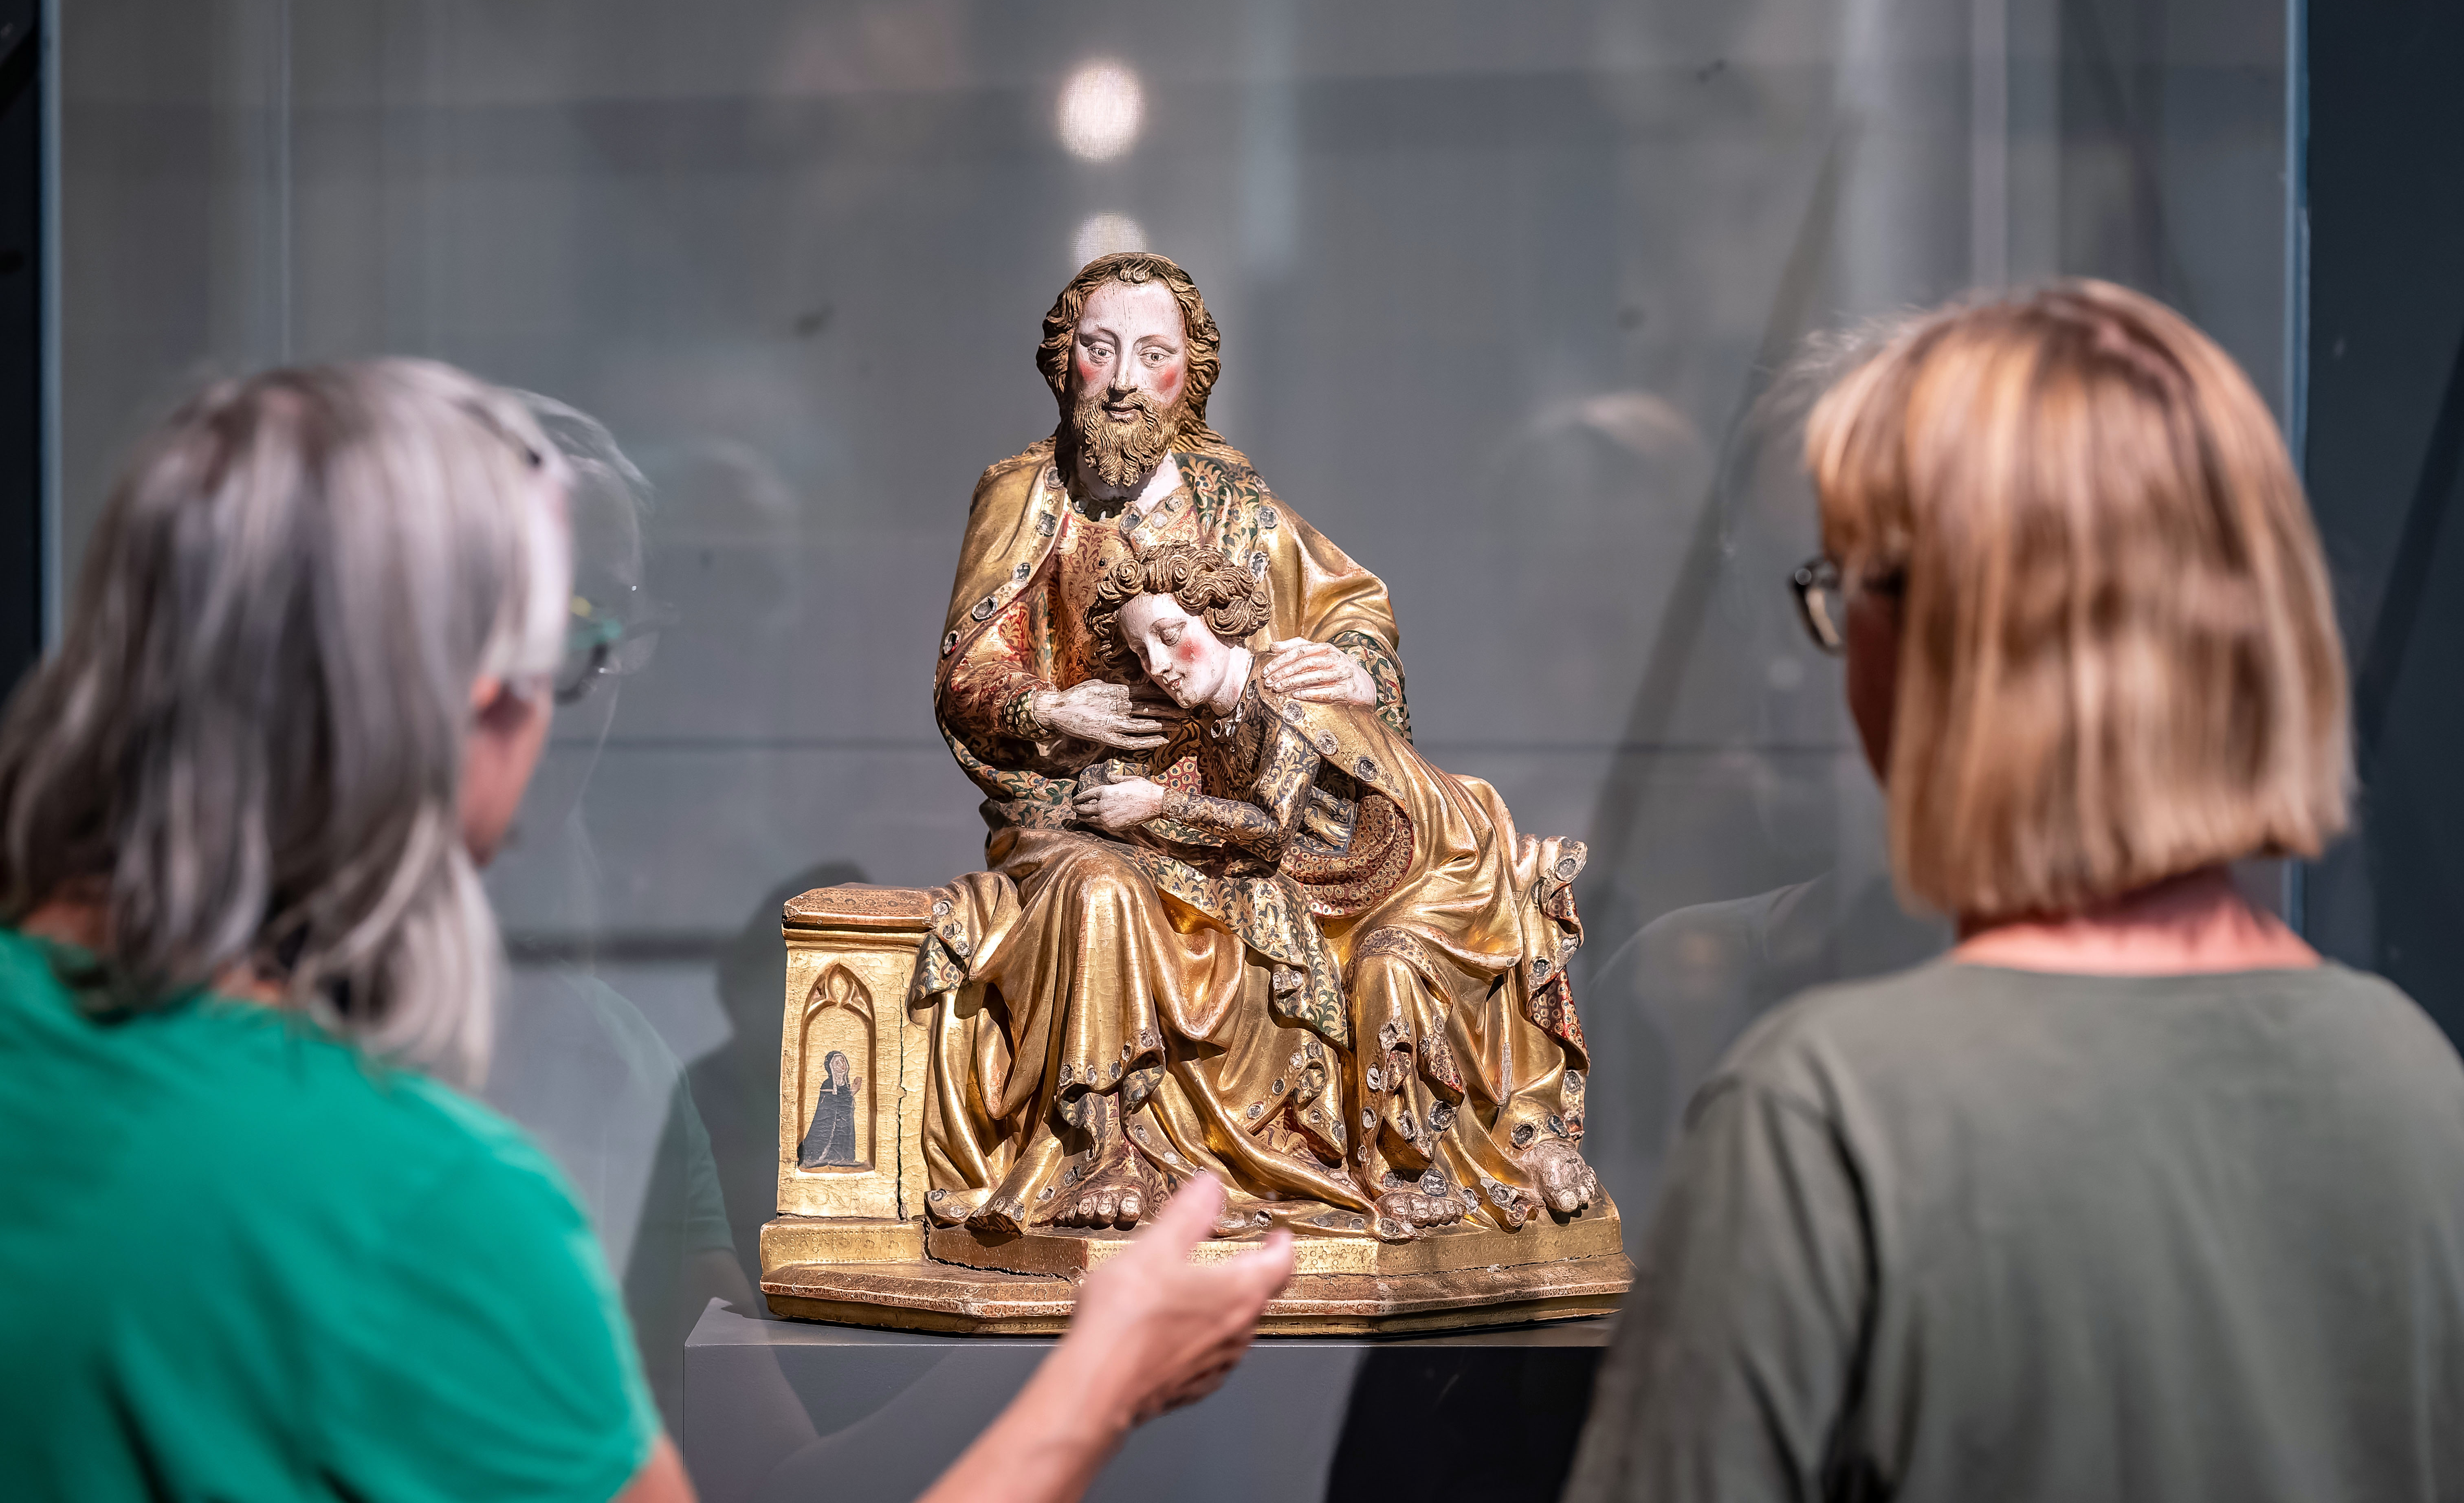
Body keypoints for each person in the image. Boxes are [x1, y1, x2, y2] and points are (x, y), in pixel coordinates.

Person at [0, 360, 1293, 1503]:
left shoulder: (602, 1072)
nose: (572, 713)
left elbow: (770, 1477)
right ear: (455, 689)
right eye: (570, 648)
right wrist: (1102, 1382)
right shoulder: (433, 1201)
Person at [1565, 281, 2464, 1501]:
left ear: (1955, 635)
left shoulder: (1825, 1119)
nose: (1805, 664)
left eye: (1835, 589)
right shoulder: (2411, 1082)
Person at [917, 252, 1593, 1238]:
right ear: (1064, 362)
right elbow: (965, 672)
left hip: (1232, 805)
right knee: (1103, 894)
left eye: (1152, 355)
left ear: (1188, 375)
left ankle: (1390, 1153)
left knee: (1369, 921)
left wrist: (1357, 668)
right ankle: (1104, 1145)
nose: (1123, 380)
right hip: (1078, 813)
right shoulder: (1024, 496)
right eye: (1100, 349)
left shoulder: (1231, 500)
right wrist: (1057, 710)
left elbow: (1354, 603)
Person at [1041, 541, 1598, 1239]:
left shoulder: (1285, 696)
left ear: (1220, 615)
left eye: (1170, 635)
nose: (1157, 665)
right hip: (1335, 885)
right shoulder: (1215, 715)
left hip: (1435, 871)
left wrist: (1155, 804)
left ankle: (1418, 1171)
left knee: (1386, 971)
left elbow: (1269, 828)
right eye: (1139, 651)